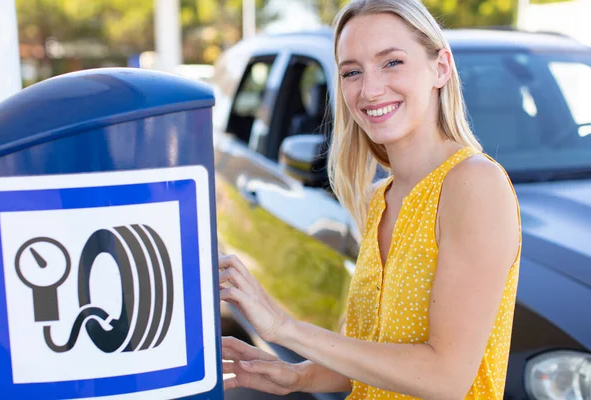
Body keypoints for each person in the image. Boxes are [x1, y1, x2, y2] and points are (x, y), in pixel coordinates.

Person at [218, 0, 521, 398]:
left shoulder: (474, 184)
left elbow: (445, 378)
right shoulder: (380, 197)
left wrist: (284, 328)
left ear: (441, 68)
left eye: (392, 62)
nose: (370, 88)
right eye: (352, 72)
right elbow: (373, 358)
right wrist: (299, 376)